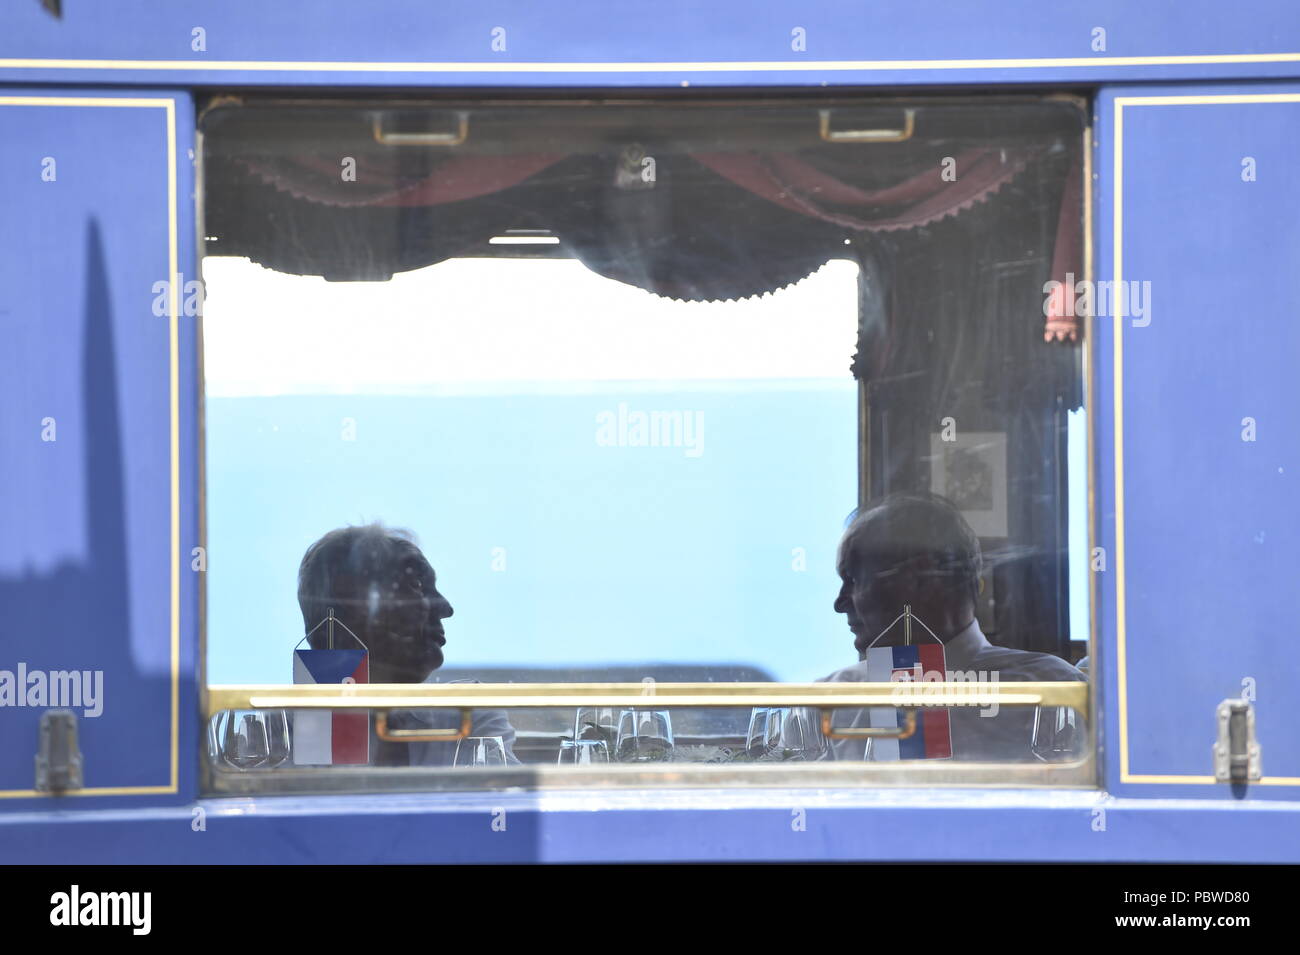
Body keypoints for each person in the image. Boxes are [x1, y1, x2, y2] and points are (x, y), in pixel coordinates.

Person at [818, 492, 1084, 762]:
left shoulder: (1056, 691)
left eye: (853, 579)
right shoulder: (825, 704)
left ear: (919, 579)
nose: (840, 604)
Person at [296, 523, 519, 766]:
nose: (445, 608)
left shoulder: (470, 712)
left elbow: (503, 795)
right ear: (360, 611)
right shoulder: (287, 733)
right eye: (418, 586)